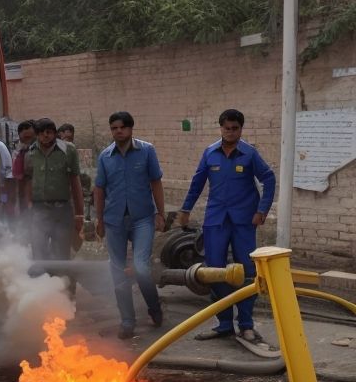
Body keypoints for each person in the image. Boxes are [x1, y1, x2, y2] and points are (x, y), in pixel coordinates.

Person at [179, 109, 276, 345]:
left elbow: (269, 178)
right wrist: (185, 209)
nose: (230, 132)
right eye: (226, 128)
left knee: (246, 272)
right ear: (220, 128)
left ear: (241, 129)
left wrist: (261, 210)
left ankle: (246, 325)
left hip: (244, 222)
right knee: (215, 271)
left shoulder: (250, 154)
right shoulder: (210, 154)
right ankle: (223, 324)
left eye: (235, 128)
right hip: (216, 220)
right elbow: (197, 183)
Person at [93, 112, 166, 339]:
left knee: (141, 267)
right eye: (114, 128)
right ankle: (127, 320)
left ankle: (154, 308)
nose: (118, 131)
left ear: (131, 129)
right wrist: (99, 219)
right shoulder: (105, 156)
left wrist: (160, 213)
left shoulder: (146, 151)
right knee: (117, 271)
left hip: (143, 218)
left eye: (122, 127)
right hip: (114, 220)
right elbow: (99, 189)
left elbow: (156, 182)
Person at [23, 118, 84, 261]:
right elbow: (28, 181)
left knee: (62, 253)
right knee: (38, 252)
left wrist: (79, 214)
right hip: (39, 210)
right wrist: (29, 205)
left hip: (62, 210)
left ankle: (64, 282)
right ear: (36, 135)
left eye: (49, 132)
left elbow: (75, 181)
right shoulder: (30, 154)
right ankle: (43, 282)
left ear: (54, 133)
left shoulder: (68, 150)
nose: (45, 135)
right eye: (41, 133)